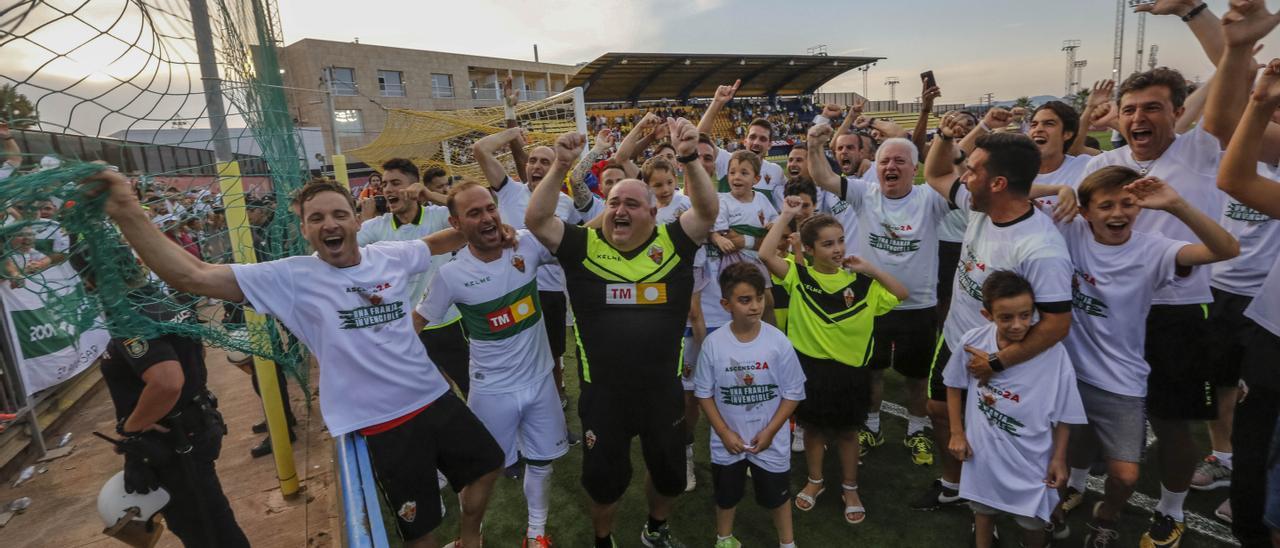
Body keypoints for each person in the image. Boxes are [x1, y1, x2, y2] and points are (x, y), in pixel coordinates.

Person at [81, 171, 505, 548]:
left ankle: (469, 538)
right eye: (316, 218)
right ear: (304, 229)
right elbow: (192, 275)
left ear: (357, 218)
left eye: (339, 214)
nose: (330, 224)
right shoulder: (290, 277)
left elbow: (438, 241)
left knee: (488, 463)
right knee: (420, 530)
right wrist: (125, 210)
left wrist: (495, 231)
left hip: (434, 397)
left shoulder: (390, 255)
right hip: (382, 422)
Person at [523, 118, 718, 548]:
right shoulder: (583, 247)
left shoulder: (674, 243)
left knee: (669, 476)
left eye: (631, 203)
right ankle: (602, 538)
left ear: (653, 211)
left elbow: (706, 212)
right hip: (603, 396)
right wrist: (560, 165)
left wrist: (687, 156)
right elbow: (536, 218)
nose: (620, 210)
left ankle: (656, 528)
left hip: (662, 392)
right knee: (603, 481)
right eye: (613, 202)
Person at [1080, 66, 1232, 547]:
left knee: (1172, 420)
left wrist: (1210, 26)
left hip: (1176, 307)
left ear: (1179, 112)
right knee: (1086, 403)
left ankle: (1170, 510)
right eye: (1129, 109)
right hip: (1109, 306)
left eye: (1152, 107)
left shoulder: (1199, 149)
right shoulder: (1103, 164)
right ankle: (1078, 485)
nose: (1138, 117)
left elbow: (1225, 92)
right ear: (1117, 117)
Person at [1051, 167, 1238, 547]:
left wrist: (1176, 205)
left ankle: (1107, 514)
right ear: (1086, 212)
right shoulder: (1070, 232)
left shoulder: (1153, 248)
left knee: (1126, 476)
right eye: (1105, 205)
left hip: (1122, 379)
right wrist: (1057, 188)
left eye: (1127, 203)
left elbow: (1226, 249)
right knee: (1076, 446)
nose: (1117, 213)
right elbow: (1006, 200)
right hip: (1068, 372)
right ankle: (1078, 487)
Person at [917, 125, 1074, 512]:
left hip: (1003, 359)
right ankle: (954, 485)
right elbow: (935, 174)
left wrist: (998, 360)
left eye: (972, 171)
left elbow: (1057, 324)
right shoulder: (980, 209)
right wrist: (943, 135)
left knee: (993, 433)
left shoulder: (1041, 248)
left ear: (999, 183)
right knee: (939, 411)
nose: (964, 178)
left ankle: (996, 504)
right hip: (956, 338)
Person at [419, 180, 570, 548]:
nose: (487, 217)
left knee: (541, 461)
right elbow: (415, 326)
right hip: (491, 391)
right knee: (480, 472)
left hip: (540, 382)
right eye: (474, 213)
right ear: (455, 224)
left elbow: (577, 243)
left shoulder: (526, 244)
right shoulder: (451, 275)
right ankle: (472, 538)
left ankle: (536, 534)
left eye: (490, 208)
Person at [806, 124, 952, 467]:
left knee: (917, 377)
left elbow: (957, 182)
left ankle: (917, 430)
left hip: (918, 305)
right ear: (877, 165)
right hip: (870, 304)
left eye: (900, 161)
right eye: (886, 160)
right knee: (871, 371)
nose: (891, 167)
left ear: (914, 169)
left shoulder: (929, 199)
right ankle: (872, 427)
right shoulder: (864, 193)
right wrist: (814, 145)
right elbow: (824, 177)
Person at [758, 198, 908, 525]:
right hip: (809, 369)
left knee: (847, 433)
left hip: (852, 372)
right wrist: (786, 216)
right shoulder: (799, 277)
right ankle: (815, 480)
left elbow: (900, 294)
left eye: (840, 240)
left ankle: (850, 487)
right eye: (827, 244)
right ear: (809, 249)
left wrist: (871, 269)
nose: (837, 248)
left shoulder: (862, 284)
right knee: (812, 430)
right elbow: (766, 255)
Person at [79, 262, 251, 548]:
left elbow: (167, 381)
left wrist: (132, 429)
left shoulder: (129, 312)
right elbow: (196, 352)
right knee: (211, 518)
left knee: (206, 529)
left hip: (177, 440)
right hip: (192, 423)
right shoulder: (160, 298)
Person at [1194, 3, 1280, 525]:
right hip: (1240, 297)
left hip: (1258, 294)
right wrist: (1239, 46)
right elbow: (1223, 125)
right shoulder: (1259, 138)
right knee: (1238, 399)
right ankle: (1234, 469)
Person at [944, 271, 1085, 548]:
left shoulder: (1053, 353)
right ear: (988, 315)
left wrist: (1058, 458)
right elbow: (953, 384)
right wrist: (957, 432)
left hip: (1033, 460)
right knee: (983, 512)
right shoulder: (974, 342)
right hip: (983, 454)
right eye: (1006, 318)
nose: (1018, 325)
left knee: (1032, 523)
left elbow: (1065, 412)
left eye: (1025, 315)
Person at [694, 262, 805, 548]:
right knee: (726, 496)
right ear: (725, 303)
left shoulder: (778, 342)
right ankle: (724, 538)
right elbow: (704, 394)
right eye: (745, 300)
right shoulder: (714, 345)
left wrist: (770, 431)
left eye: (758, 298)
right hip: (727, 443)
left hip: (771, 441)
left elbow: (793, 393)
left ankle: (787, 542)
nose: (755, 306)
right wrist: (723, 432)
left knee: (778, 497)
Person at [1217, 52, 1280, 548]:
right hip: (1272, 328)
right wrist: (1259, 101)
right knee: (1253, 443)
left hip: (1260, 306)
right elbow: (1234, 176)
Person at [355, 159, 469, 397]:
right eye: (384, 184)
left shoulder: (436, 217)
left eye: (395, 183)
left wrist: (429, 194)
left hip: (446, 321)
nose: (387, 190)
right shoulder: (377, 227)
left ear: (414, 186)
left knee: (470, 384)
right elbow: (345, 251)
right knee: (426, 394)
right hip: (405, 327)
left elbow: (469, 211)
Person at [698, 80, 787, 209]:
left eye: (762, 139)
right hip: (725, 227)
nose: (756, 142)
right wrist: (717, 102)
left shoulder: (776, 172)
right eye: (752, 137)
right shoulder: (727, 160)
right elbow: (700, 139)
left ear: (769, 145)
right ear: (745, 141)